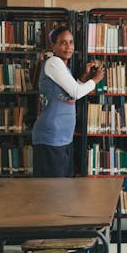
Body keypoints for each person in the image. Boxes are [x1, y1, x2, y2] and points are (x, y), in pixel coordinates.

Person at [32, 26, 104, 177]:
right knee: (52, 189)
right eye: (63, 42)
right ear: (53, 45)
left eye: (71, 42)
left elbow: (70, 93)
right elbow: (77, 93)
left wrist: (84, 77)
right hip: (51, 136)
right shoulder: (53, 62)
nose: (69, 47)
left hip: (63, 136)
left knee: (62, 188)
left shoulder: (64, 67)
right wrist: (96, 80)